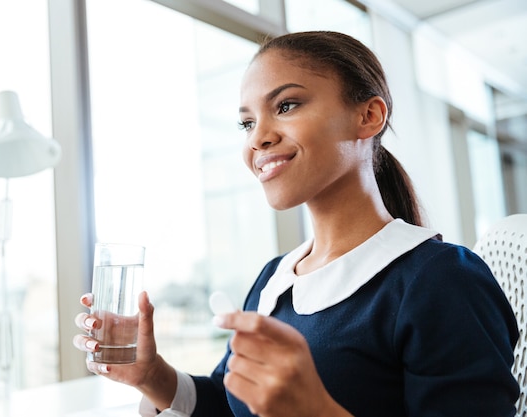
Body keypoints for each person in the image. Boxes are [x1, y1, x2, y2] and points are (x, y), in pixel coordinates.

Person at [73, 31, 519, 417]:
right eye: (246, 122)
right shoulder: (274, 279)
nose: (258, 138)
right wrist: (153, 376)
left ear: (369, 116)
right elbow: (232, 405)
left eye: (286, 105)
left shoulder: (441, 281)